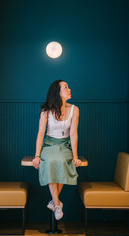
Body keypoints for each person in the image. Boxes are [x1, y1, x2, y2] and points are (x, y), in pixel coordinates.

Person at [32, 79, 81, 221]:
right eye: (66, 87)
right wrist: (37, 155)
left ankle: (54, 202)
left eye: (68, 87)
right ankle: (58, 203)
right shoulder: (46, 111)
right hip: (49, 144)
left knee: (62, 162)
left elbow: (73, 134)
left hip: (65, 145)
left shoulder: (75, 109)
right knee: (51, 161)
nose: (69, 89)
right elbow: (40, 134)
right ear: (58, 92)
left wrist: (75, 156)